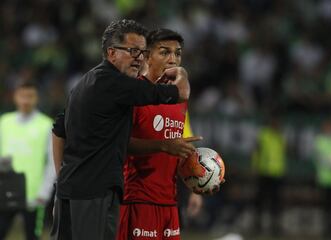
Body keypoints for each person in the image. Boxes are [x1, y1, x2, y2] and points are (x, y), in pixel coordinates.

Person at [51, 19, 191, 240]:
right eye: (133, 51)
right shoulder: (117, 84)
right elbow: (181, 93)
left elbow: (58, 130)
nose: (139, 58)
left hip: (76, 188)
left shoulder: (86, 82)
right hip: (94, 192)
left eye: (142, 52)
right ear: (111, 52)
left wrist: (62, 178)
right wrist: (180, 73)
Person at [116, 28, 203, 240]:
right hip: (137, 201)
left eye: (178, 53)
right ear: (146, 56)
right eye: (164, 52)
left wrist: (199, 177)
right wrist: (163, 145)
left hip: (170, 203)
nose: (173, 59)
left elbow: (177, 148)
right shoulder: (133, 92)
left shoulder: (179, 99)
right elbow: (119, 143)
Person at [0, 81, 56, 240]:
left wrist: (44, 192)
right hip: (6, 191)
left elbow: (52, 161)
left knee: (33, 236)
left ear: (36, 98)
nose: (25, 100)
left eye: (30, 96)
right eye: (22, 96)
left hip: (33, 194)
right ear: (15, 97)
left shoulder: (45, 125)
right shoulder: (4, 122)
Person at [252, 115, 286, 236]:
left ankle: (275, 226)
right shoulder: (263, 135)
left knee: (276, 202)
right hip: (264, 172)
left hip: (277, 173)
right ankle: (258, 225)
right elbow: (257, 150)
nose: (276, 124)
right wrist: (255, 166)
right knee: (261, 200)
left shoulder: (281, 136)